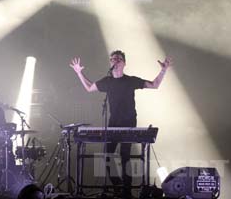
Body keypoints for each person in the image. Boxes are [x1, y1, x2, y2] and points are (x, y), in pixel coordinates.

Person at [69, 50, 171, 198]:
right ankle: (117, 186)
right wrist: (79, 72)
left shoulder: (130, 80)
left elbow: (154, 85)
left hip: (128, 122)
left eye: (118, 58)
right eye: (112, 59)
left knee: (125, 156)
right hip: (113, 122)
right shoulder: (107, 81)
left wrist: (163, 70)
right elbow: (90, 88)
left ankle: (127, 191)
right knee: (106, 155)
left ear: (124, 63)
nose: (114, 61)